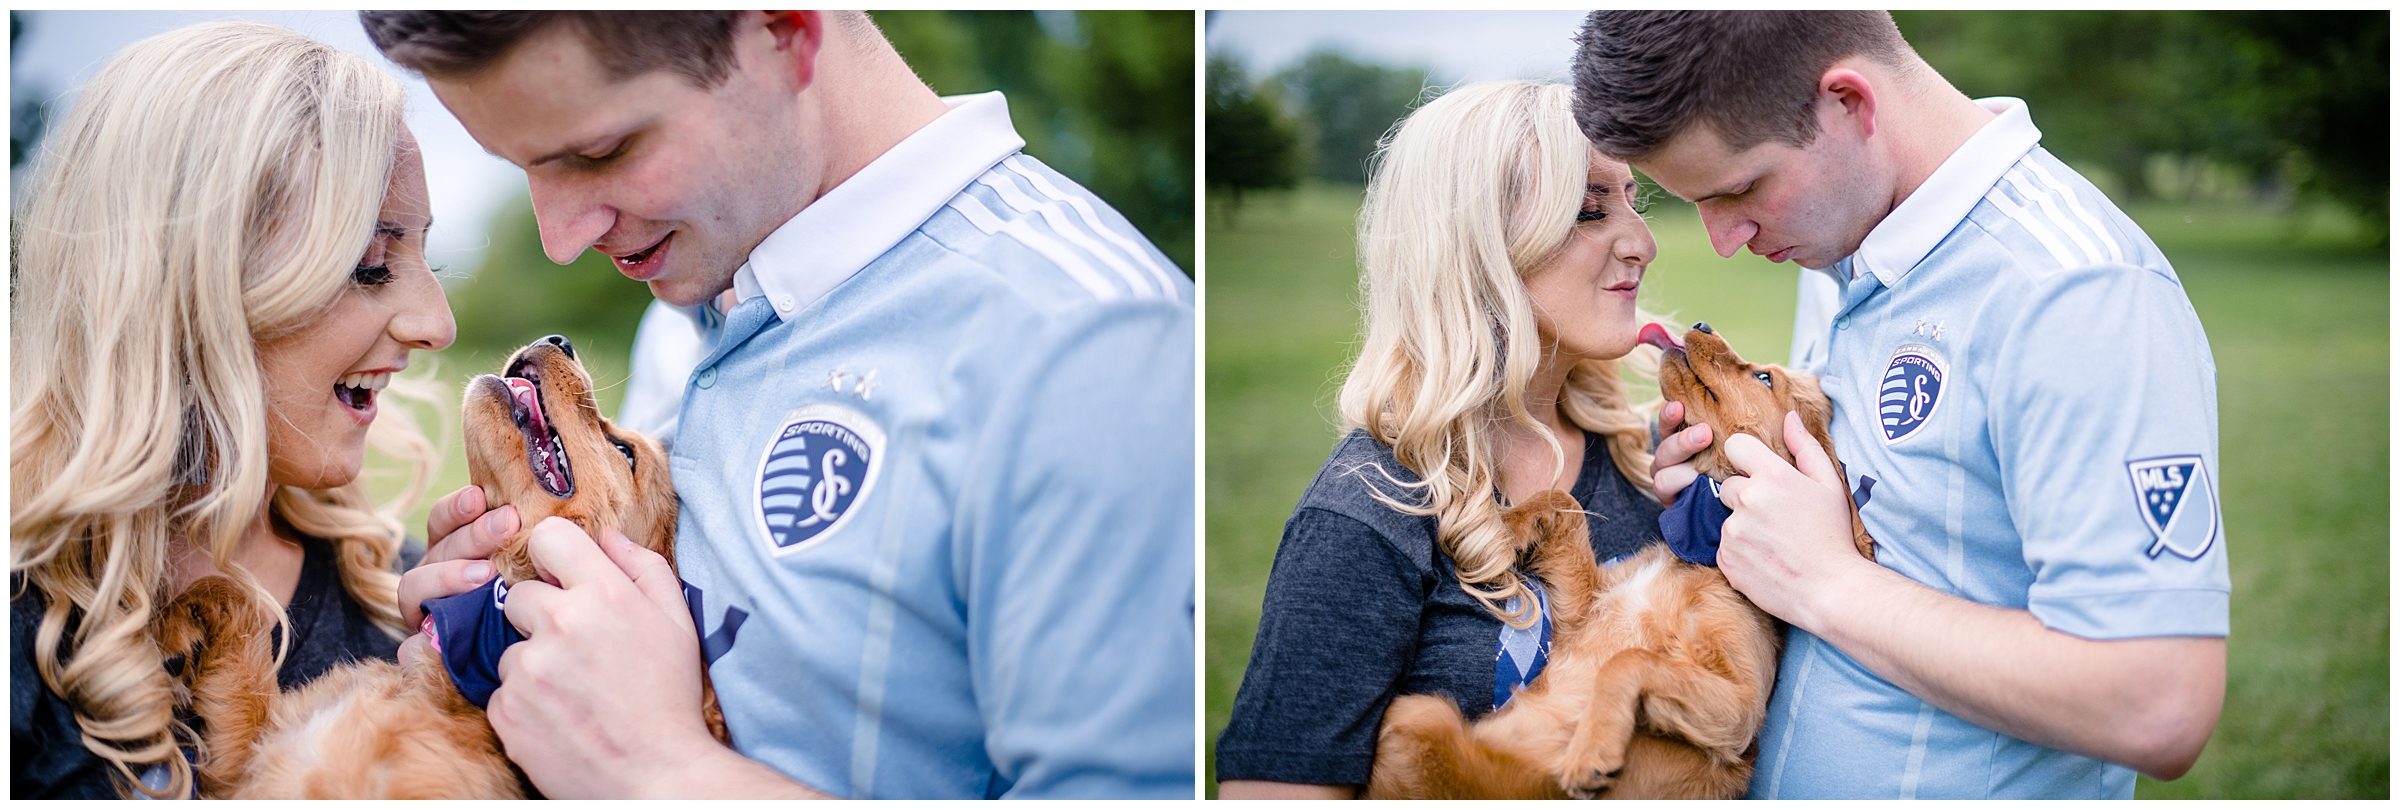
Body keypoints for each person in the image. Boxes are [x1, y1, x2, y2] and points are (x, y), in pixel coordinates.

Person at [358, 11, 1194, 799]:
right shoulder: (690, 305)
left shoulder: (1090, 344)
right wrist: (500, 619)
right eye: (524, 165)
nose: (562, 238)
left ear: (782, 30)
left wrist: (666, 774)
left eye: (602, 151)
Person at [1571, 11, 2228, 798]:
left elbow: (2157, 705)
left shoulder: (2072, 294)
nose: (1723, 239)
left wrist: (1825, 582)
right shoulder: (1848, 241)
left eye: (1742, 188)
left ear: (1848, 103)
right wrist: (1727, 497)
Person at [9, 22, 456, 799]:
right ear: (187, 285)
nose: (436, 323)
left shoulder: (405, 603)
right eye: (370, 265)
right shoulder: (24, 616)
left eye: (429, 256)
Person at [1216, 80, 1672, 799]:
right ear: (1477, 247)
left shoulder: (1648, 461)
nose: (1643, 243)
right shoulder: (1365, 514)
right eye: (1589, 210)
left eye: (1632, 201)